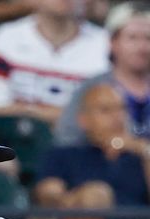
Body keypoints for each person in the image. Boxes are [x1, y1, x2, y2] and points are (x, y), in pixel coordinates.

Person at [0, 0, 109, 124]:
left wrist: (26, 112)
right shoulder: (6, 37)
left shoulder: (106, 45)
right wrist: (53, 116)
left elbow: (105, 117)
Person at [34, 83, 150, 208]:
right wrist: (80, 198)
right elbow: (48, 194)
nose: (117, 117)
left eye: (122, 109)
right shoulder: (63, 155)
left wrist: (144, 151)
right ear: (83, 120)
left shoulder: (140, 154)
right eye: (106, 110)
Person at [55, 1, 150, 146]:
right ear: (113, 43)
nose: (142, 47)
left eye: (148, 38)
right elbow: (67, 137)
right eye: (132, 38)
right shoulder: (92, 88)